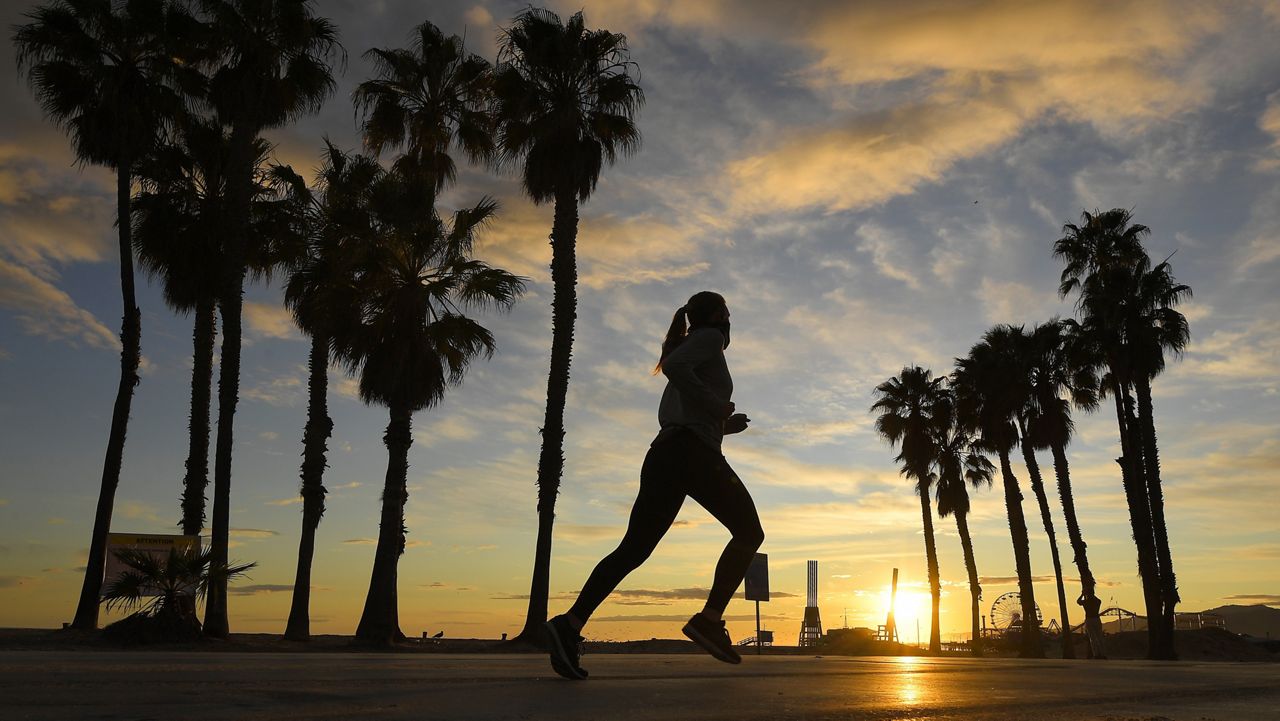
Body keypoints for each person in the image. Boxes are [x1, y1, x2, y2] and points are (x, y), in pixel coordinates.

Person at [543, 291, 765, 680]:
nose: (730, 318)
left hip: (668, 454)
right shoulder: (708, 337)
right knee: (749, 532)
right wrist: (716, 407)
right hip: (690, 454)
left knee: (633, 549)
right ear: (717, 314)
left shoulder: (696, 344)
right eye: (727, 311)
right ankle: (709, 620)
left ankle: (569, 625)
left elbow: (684, 408)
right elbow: (676, 368)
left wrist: (722, 425)